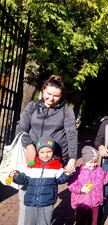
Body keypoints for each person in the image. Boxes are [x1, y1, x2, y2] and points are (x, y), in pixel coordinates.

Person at [16, 75, 78, 225]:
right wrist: (29, 145)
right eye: (48, 94)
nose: (51, 98)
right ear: (43, 90)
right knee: (26, 196)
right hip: (31, 158)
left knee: (46, 198)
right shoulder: (32, 106)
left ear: (61, 95)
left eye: (56, 96)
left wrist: (72, 157)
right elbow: (21, 129)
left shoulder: (66, 110)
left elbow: (71, 133)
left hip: (53, 160)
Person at [9, 136, 73, 225]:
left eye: (49, 151)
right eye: (42, 152)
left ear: (53, 151)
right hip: (31, 200)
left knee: (44, 222)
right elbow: (24, 178)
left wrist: (67, 174)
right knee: (29, 222)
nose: (45, 155)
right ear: (38, 152)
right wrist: (17, 176)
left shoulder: (57, 165)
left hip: (48, 201)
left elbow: (60, 180)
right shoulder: (32, 164)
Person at [68, 146, 108, 225]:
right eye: (90, 162)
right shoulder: (78, 171)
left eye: (95, 162)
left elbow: (103, 181)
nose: (93, 164)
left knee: (94, 222)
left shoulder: (99, 170)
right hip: (82, 203)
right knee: (80, 221)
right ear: (84, 161)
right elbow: (71, 185)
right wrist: (81, 189)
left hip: (95, 202)